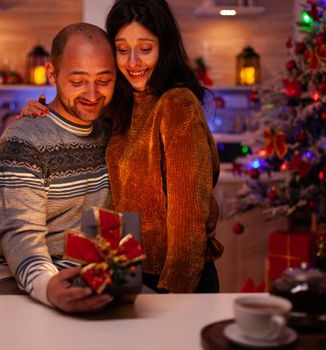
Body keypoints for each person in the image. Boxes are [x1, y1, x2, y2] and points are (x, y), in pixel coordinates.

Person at [20, 0, 222, 293]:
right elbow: (77, 116)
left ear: (163, 46)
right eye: (122, 49)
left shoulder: (177, 104)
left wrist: (175, 299)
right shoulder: (122, 104)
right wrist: (42, 114)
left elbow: (188, 223)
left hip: (171, 280)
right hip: (126, 270)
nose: (133, 62)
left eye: (145, 48)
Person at [0, 23, 117, 313]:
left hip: (85, 273)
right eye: (78, 81)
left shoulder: (110, 136)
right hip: (18, 279)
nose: (92, 93)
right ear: (52, 74)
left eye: (104, 80)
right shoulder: (24, 140)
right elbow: (20, 233)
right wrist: (48, 287)